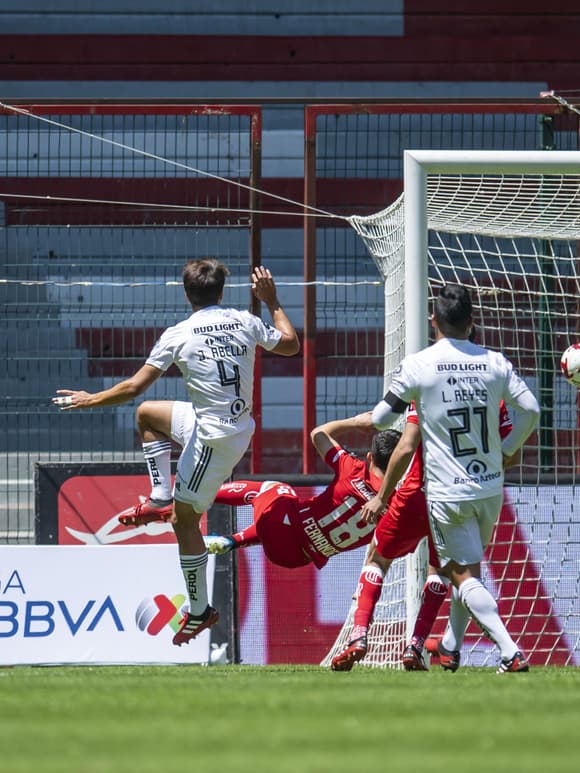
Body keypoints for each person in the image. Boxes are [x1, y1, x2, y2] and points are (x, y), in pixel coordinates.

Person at [53, 259, 299, 645]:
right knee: (148, 415)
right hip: (214, 421)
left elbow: (135, 385)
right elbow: (291, 344)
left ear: (186, 293)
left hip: (215, 440)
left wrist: (90, 399)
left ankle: (200, 610)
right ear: (222, 291)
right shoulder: (245, 320)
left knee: (185, 522)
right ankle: (159, 495)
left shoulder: (178, 334)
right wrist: (272, 301)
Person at [364, 284, 540, 674]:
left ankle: (510, 652)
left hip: (447, 491)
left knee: (460, 572)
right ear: (472, 321)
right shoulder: (495, 361)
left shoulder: (419, 364)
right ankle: (450, 646)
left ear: (433, 321)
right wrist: (505, 450)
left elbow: (380, 420)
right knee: (467, 568)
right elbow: (531, 410)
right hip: (491, 486)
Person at [329, 400, 510, 673]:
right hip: (462, 498)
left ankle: (359, 633)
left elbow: (406, 446)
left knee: (377, 558)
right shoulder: (495, 394)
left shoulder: (428, 386)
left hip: (417, 494)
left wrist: (381, 497)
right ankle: (416, 644)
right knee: (443, 571)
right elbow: (512, 451)